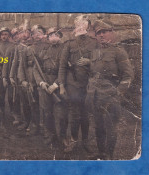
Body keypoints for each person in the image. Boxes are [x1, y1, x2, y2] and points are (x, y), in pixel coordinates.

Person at [85, 20, 134, 159]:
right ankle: (101, 153)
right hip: (95, 95)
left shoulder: (119, 52)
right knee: (98, 126)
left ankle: (110, 156)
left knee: (111, 128)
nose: (101, 35)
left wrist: (118, 94)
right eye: (98, 33)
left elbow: (128, 76)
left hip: (111, 97)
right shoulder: (95, 52)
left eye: (104, 32)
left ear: (111, 33)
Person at [59, 15, 97, 152]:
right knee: (74, 114)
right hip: (73, 84)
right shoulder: (69, 44)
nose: (80, 26)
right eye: (78, 24)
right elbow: (62, 66)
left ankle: (85, 141)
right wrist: (62, 85)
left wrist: (90, 62)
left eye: (83, 24)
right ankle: (74, 140)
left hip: (88, 84)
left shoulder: (94, 43)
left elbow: (100, 64)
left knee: (86, 114)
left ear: (88, 26)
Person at [33, 27, 65, 145]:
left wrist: (56, 84)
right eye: (50, 35)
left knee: (60, 113)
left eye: (55, 34)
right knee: (47, 112)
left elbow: (66, 70)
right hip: (46, 84)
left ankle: (62, 137)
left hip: (59, 84)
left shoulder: (65, 50)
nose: (52, 37)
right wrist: (41, 83)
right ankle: (50, 135)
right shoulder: (45, 50)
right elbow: (36, 69)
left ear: (60, 36)